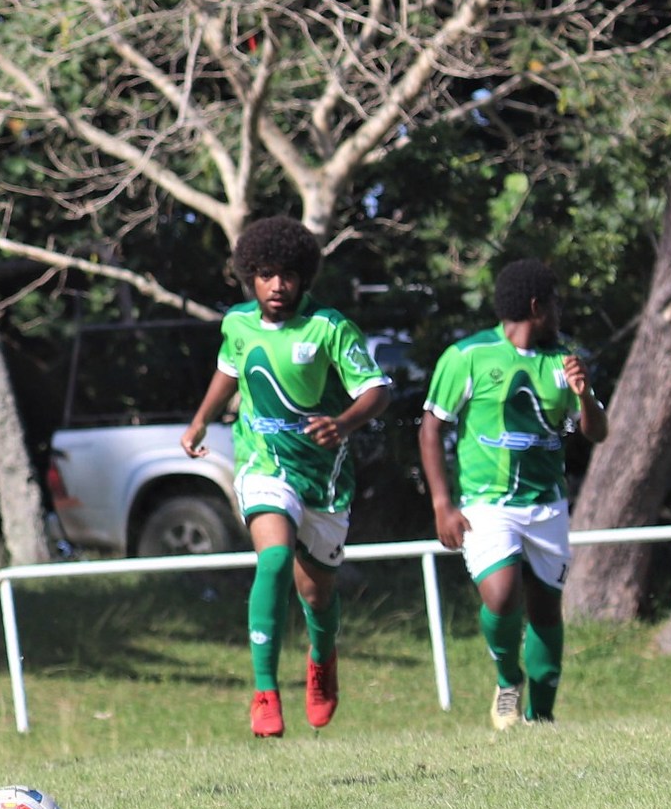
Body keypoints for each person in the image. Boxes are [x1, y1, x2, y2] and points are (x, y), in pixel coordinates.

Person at [180, 217, 391, 738]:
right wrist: (202, 418)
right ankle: (265, 691)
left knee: (317, 595)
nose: (279, 286)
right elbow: (230, 371)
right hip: (264, 465)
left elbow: (377, 390)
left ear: (305, 277)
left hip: (323, 477)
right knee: (273, 559)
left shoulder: (329, 328)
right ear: (250, 276)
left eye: (289, 275)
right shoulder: (238, 324)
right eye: (267, 275)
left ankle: (322, 658)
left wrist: (342, 423)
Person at [419, 259, 606, 731]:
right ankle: (507, 678)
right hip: (487, 504)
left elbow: (597, 432)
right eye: (557, 303)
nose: (562, 312)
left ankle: (541, 716)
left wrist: (584, 395)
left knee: (546, 608)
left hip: (546, 504)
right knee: (501, 596)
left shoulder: (566, 360)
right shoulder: (467, 356)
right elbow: (431, 428)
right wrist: (443, 504)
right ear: (537, 306)